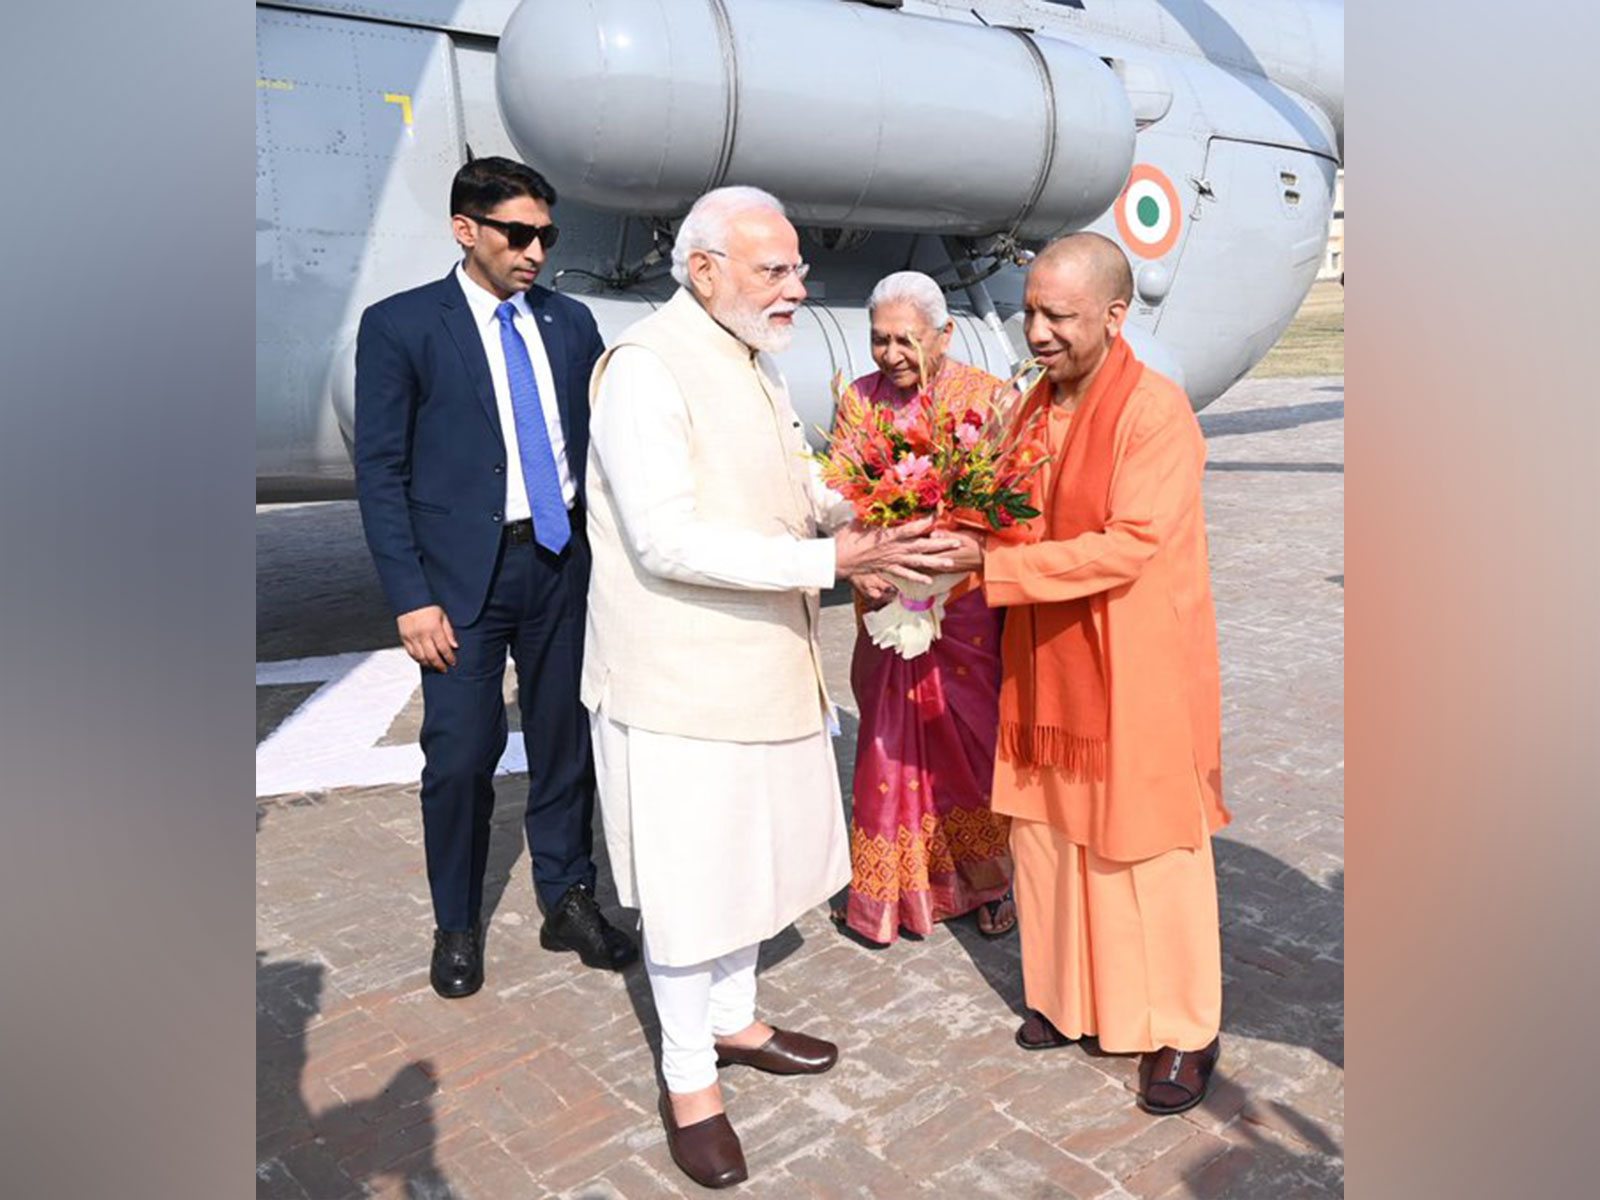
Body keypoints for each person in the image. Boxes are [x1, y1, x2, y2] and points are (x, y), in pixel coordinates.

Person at [583, 186, 963, 1188]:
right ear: (704, 270)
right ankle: (688, 1079)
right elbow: (667, 541)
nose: (799, 288)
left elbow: (794, 486)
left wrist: (887, 512)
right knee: (689, 883)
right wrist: (833, 561)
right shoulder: (645, 370)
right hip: (680, 680)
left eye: (797, 268)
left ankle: (735, 1021)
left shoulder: (744, 359)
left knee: (749, 865)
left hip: (759, 669)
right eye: (776, 270)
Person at [945, 232, 1230, 1115]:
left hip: (1133, 663)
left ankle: (1184, 1029)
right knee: (1049, 830)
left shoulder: (1155, 412)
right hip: (1046, 660)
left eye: (1058, 317)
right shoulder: (1030, 406)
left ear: (1113, 315)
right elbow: (1004, 507)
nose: (1036, 332)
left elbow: (1131, 546)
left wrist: (992, 572)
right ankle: (1070, 1000)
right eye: (1030, 311)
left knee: (1146, 845)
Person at [354, 156, 638, 1001]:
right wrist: (410, 597)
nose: (537, 251)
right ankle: (457, 923)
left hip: (558, 567)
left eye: (547, 235)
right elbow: (381, 471)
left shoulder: (569, 323)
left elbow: (598, 449)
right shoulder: (402, 326)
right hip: (457, 587)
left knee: (564, 744)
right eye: (519, 233)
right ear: (465, 229)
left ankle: (568, 897)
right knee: (458, 757)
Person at [832, 271, 1016, 944]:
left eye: (904, 341)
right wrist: (866, 566)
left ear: (945, 334)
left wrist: (951, 559)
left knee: (970, 741)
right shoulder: (859, 401)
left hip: (964, 610)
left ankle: (991, 880)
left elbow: (1009, 507)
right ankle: (894, 893)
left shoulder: (988, 400)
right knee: (889, 745)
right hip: (886, 604)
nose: (889, 356)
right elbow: (844, 496)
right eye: (878, 340)